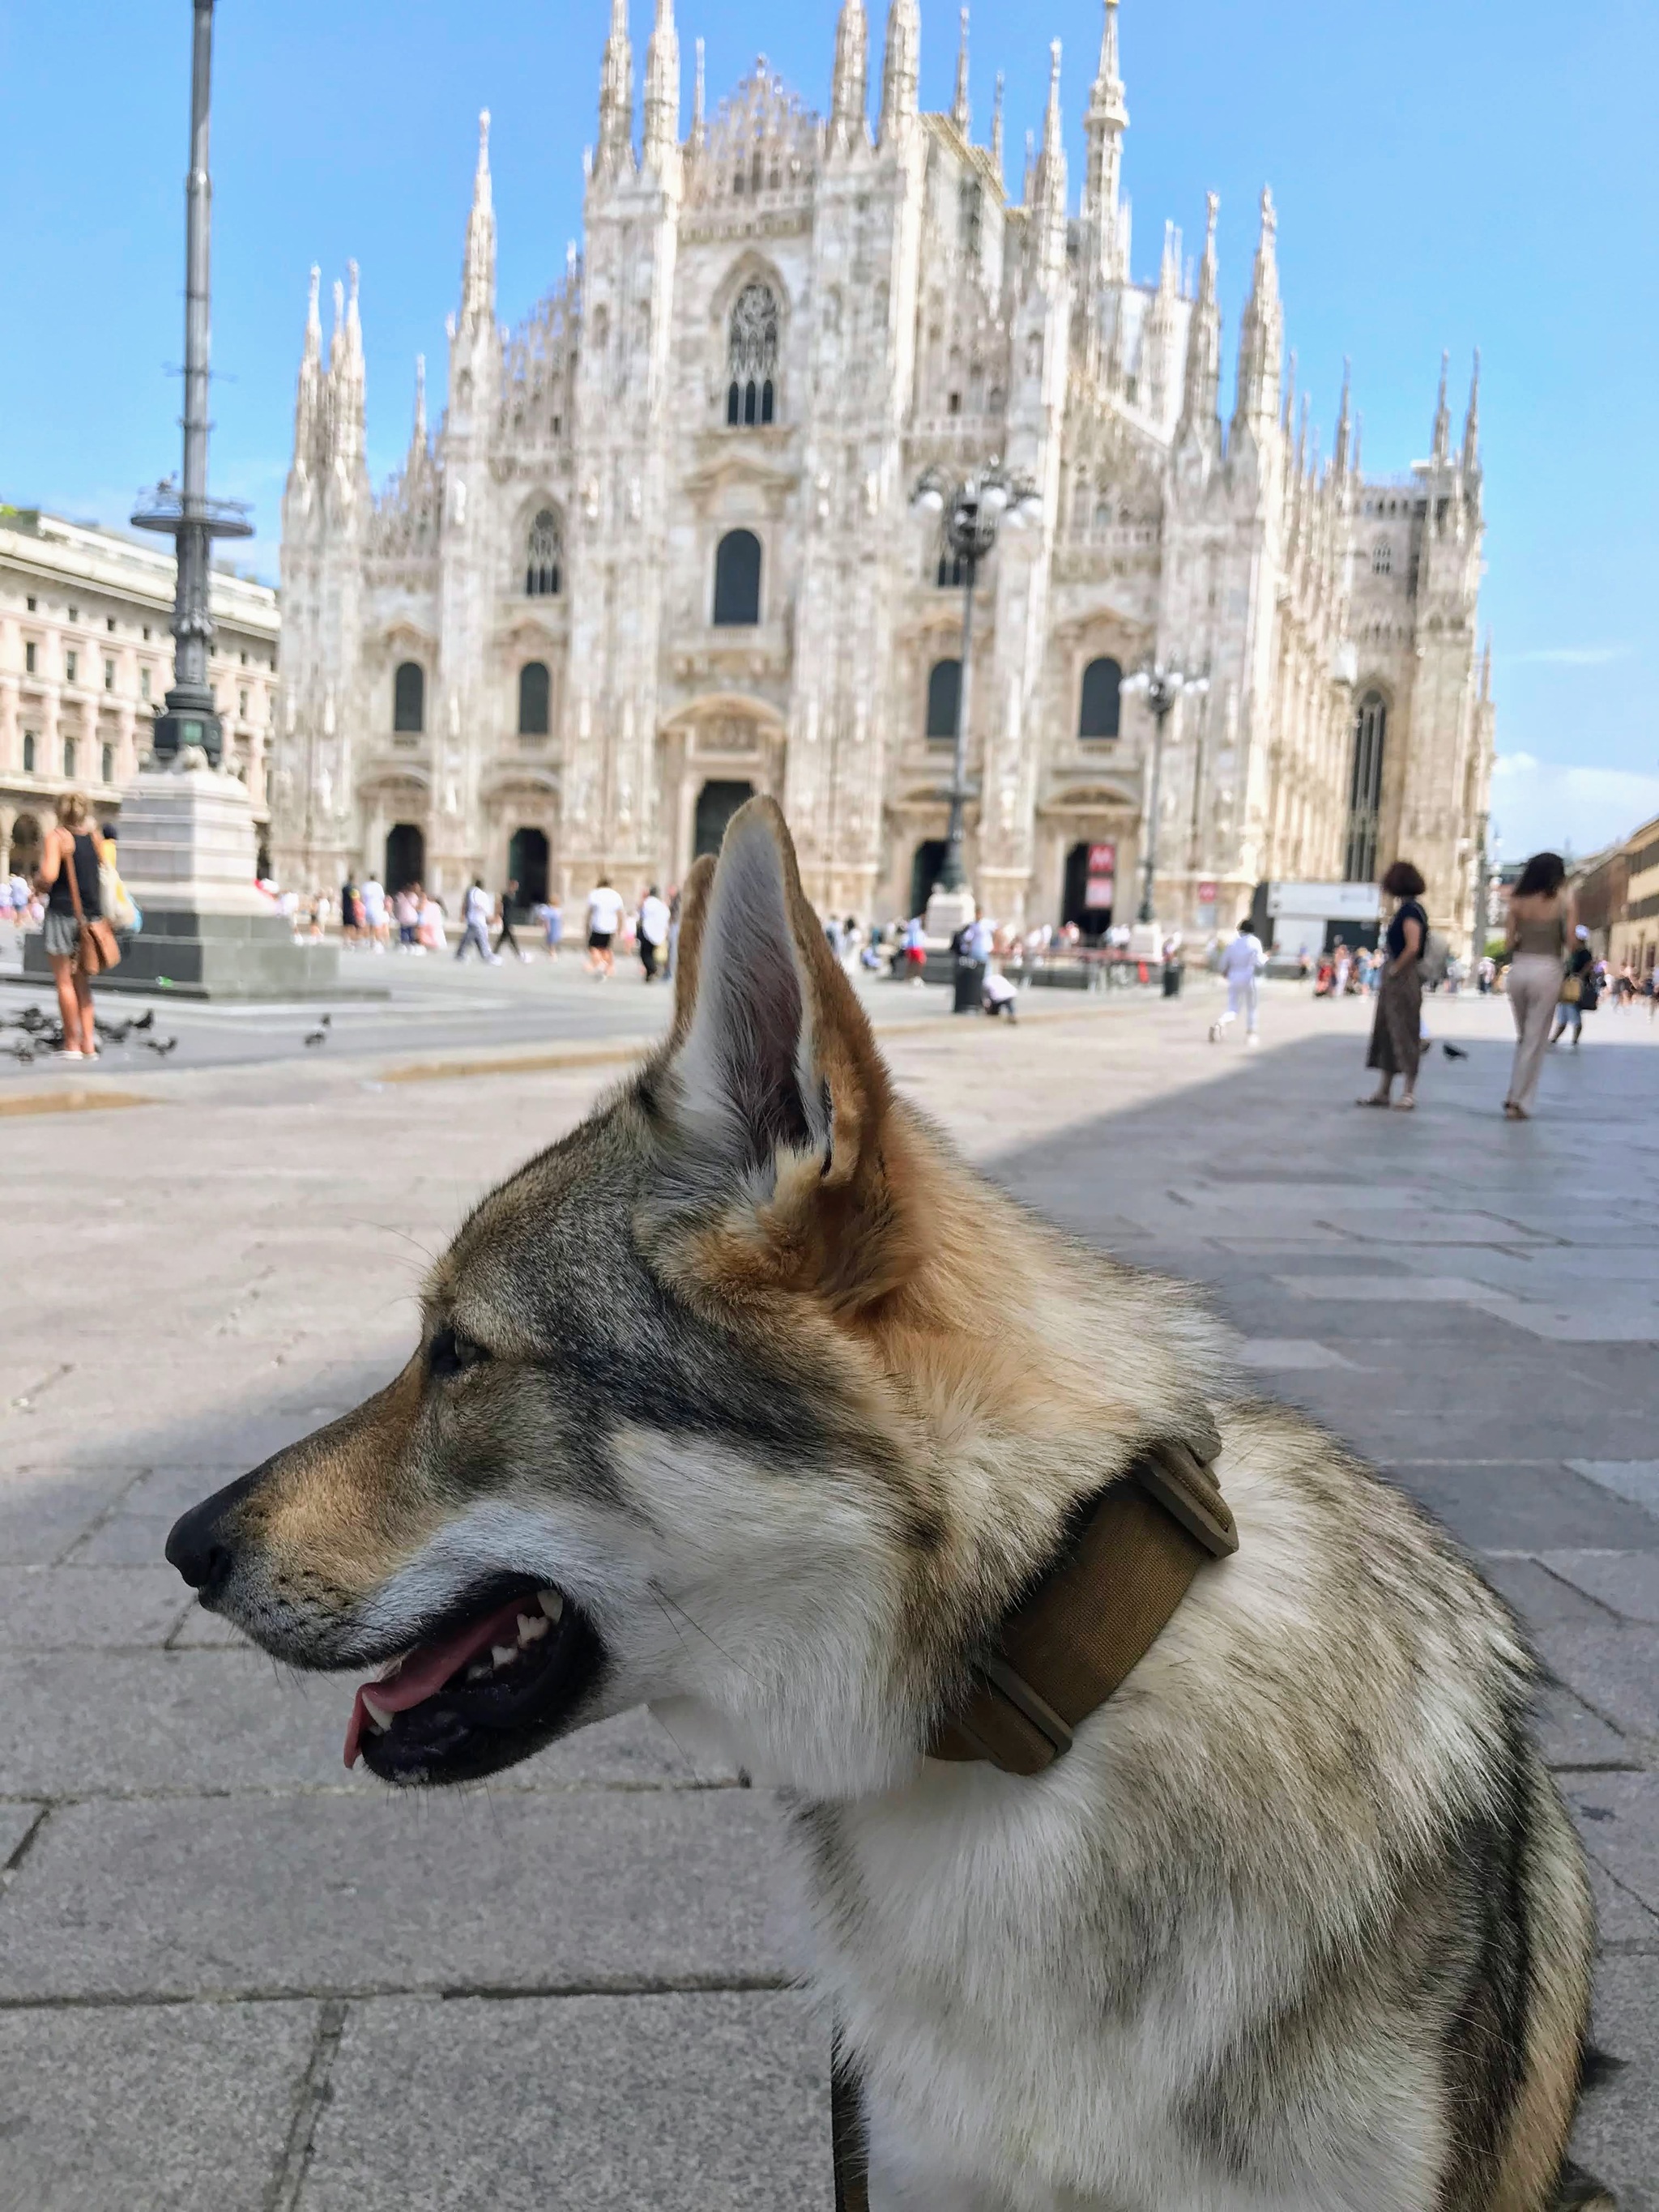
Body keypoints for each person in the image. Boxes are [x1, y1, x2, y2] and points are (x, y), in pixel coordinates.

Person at [1503, 851, 1574, 1119]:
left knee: (1524, 1038)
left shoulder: (1517, 900)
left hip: (1519, 969)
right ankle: (1518, 1101)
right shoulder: (1564, 899)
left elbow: (1509, 943)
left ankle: (1514, 1095)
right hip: (1547, 969)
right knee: (1534, 1040)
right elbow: (1571, 940)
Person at [34, 791, 104, 1059]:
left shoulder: (57, 837)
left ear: (59, 811)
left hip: (63, 914)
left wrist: (39, 881)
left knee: (64, 982)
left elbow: (50, 874)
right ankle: (88, 1044)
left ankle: (71, 1044)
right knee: (83, 984)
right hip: (90, 919)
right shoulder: (93, 839)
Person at [1358, 859, 1428, 1110]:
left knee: (1405, 1032)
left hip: (1403, 977)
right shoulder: (1406, 909)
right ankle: (1384, 1090)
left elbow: (1413, 945)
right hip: (1396, 976)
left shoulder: (1411, 911)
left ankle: (1408, 1092)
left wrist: (1396, 969)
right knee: (1387, 1032)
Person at [1209, 915, 1266, 1047]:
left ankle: (1221, 1022)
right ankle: (1251, 1034)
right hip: (1249, 976)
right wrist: (1267, 957)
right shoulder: (1254, 942)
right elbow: (1259, 961)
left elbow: (1223, 963)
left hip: (1234, 976)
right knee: (1252, 1007)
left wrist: (1225, 972)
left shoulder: (1233, 943)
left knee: (1233, 1008)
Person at [1550, 927, 1597, 1049]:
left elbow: (1589, 965)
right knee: (1562, 1014)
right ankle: (1554, 1038)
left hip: (1574, 986)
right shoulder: (1573, 952)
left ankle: (1573, 1039)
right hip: (1567, 985)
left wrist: (1580, 976)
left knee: (1573, 1013)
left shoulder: (1584, 952)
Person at [586, 876, 623, 977]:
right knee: (606, 948)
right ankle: (609, 966)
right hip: (610, 926)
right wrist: (620, 928)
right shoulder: (616, 895)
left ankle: (598, 963)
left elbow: (589, 912)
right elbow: (620, 914)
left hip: (597, 925)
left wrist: (586, 926)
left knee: (593, 947)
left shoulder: (595, 894)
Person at [455, 878, 498, 964]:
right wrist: (487, 914)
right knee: (480, 939)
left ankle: (460, 954)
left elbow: (467, 903)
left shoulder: (471, 892)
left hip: (474, 920)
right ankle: (486, 955)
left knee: (470, 938)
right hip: (477, 920)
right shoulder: (477, 893)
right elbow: (479, 905)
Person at [638, 884, 670, 981]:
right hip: (658, 932)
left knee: (645, 953)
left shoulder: (648, 902)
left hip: (647, 931)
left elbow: (641, 912)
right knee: (651, 953)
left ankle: (652, 969)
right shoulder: (662, 904)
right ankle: (649, 973)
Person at [494, 880, 531, 963]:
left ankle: (494, 953)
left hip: (509, 917)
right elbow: (500, 905)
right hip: (506, 918)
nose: (517, 887)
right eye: (516, 886)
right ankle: (518, 955)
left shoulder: (512, 895)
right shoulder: (506, 895)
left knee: (502, 938)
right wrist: (497, 916)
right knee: (511, 937)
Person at [360, 874, 387, 952]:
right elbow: (382, 897)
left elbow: (362, 897)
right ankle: (378, 942)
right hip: (377, 908)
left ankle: (371, 941)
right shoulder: (378, 886)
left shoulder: (365, 886)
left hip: (367, 908)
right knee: (377, 926)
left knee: (369, 926)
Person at [901, 914, 928, 987]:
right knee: (920, 962)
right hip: (916, 946)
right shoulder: (916, 922)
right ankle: (916, 977)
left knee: (912, 962)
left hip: (912, 946)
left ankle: (909, 977)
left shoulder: (915, 924)